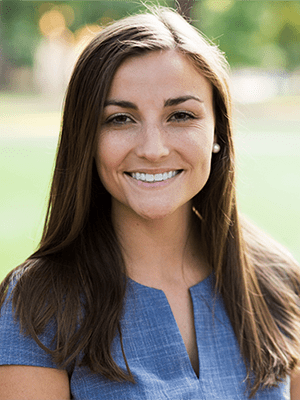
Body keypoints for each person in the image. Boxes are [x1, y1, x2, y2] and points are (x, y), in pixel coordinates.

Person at [0, 6, 300, 400]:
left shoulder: (279, 281)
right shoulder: (39, 304)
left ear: (218, 132)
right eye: (120, 119)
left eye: (180, 115)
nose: (153, 150)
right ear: (86, 139)